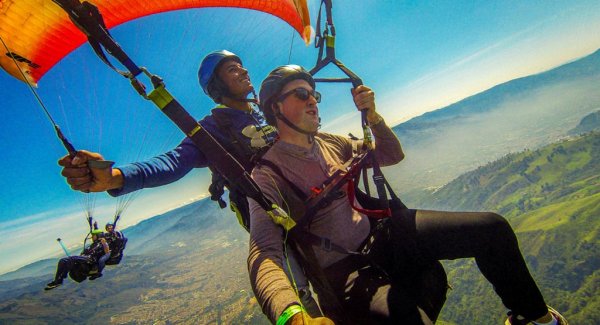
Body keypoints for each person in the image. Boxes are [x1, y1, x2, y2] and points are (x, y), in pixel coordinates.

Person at [247, 65, 569, 325]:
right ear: (276, 107)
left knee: (491, 229)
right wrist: (291, 315)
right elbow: (263, 252)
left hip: (384, 235)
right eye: (302, 94)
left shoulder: (330, 142)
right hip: (345, 269)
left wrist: (372, 116)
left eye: (314, 93)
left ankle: (533, 318)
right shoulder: (268, 174)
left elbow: (390, 154)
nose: (313, 100)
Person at [57, 50, 321, 315]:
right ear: (217, 86)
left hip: (308, 201)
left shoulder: (267, 114)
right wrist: (116, 178)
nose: (243, 71)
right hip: (272, 221)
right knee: (300, 292)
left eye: (241, 65)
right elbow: (173, 162)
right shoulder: (211, 129)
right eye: (232, 69)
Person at [45, 229, 111, 290]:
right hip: (84, 260)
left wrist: (104, 243)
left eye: (93, 236)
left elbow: (107, 252)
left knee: (71, 259)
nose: (92, 237)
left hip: (90, 261)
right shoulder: (93, 245)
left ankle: (60, 279)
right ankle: (58, 280)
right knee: (63, 261)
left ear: (98, 236)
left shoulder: (102, 244)